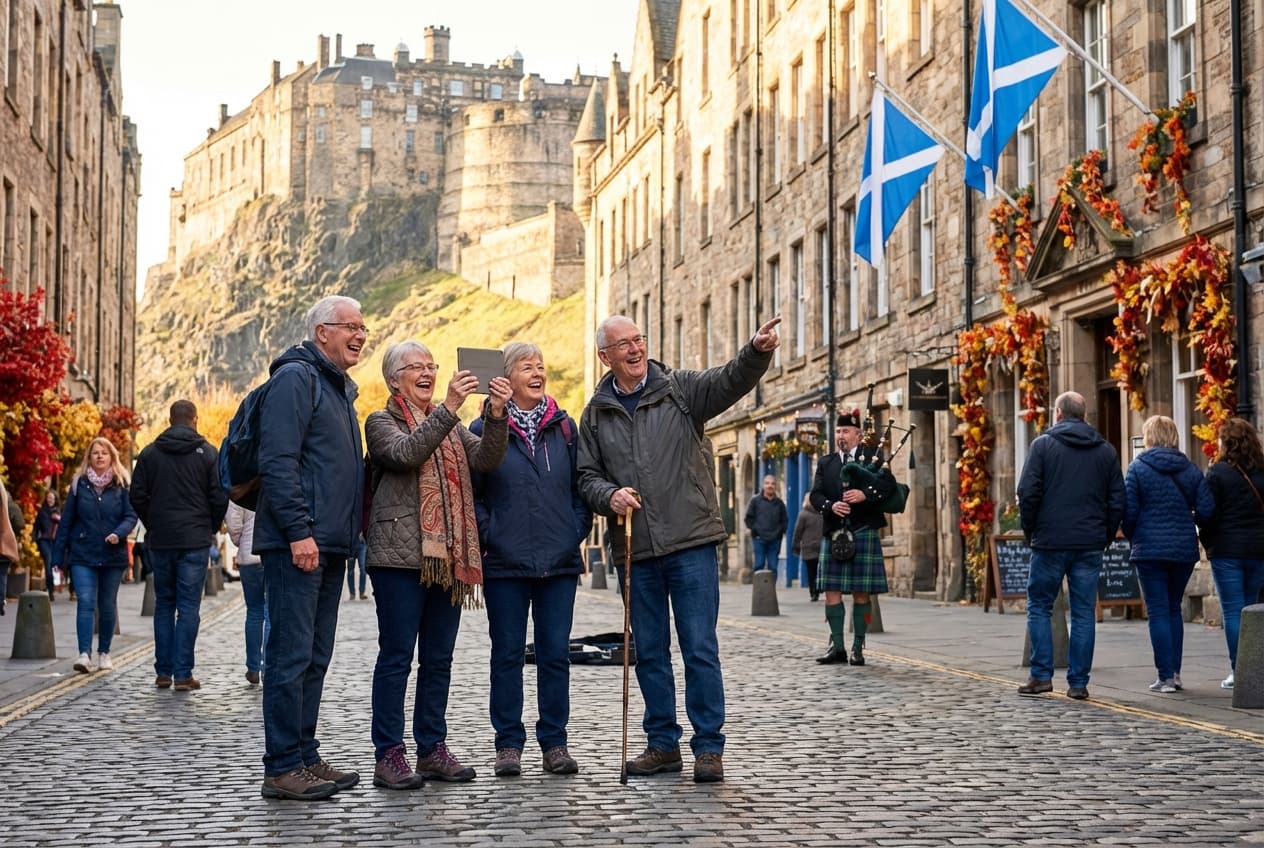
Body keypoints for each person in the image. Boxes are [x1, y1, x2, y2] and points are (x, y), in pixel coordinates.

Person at [577, 313, 781, 784]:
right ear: (604, 356)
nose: (635, 349)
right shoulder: (596, 413)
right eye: (623, 344)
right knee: (649, 651)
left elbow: (730, 380)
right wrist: (609, 496)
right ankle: (663, 745)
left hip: (690, 542)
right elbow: (585, 476)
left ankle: (709, 748)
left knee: (699, 648)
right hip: (638, 549)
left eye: (639, 339)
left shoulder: (681, 390)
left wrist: (757, 351)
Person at [364, 340, 510, 790]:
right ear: (394, 379)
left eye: (432, 365)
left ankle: (431, 749)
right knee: (396, 659)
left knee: (438, 660)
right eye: (416, 367)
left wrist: (496, 415)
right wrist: (449, 407)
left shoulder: (448, 426)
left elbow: (486, 458)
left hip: (447, 558)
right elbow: (406, 453)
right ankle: (389, 754)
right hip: (399, 559)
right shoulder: (380, 421)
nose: (427, 372)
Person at [254, 295, 367, 801]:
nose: (361, 335)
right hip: (299, 543)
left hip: (329, 545)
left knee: (315, 656)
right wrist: (299, 531)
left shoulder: (337, 387)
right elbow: (278, 462)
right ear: (323, 332)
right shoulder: (295, 379)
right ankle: (281, 766)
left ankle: (303, 753)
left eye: (364, 327)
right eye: (351, 327)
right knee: (290, 655)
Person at [470, 342, 592, 778]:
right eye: (527, 367)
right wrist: (491, 534)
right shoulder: (481, 426)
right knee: (506, 655)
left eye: (541, 366)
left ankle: (554, 744)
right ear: (507, 377)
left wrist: (574, 530)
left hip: (558, 562)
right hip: (505, 563)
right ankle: (508, 745)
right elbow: (474, 493)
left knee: (555, 654)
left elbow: (582, 487)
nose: (538, 372)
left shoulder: (565, 428)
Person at [1016, 390, 1124, 700]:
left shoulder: (1042, 446)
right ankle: (1078, 682)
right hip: (1089, 542)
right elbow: (1118, 499)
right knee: (1083, 612)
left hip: (1049, 541)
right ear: (1084, 415)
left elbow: (1028, 493)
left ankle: (1040, 676)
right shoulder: (1105, 451)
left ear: (1059, 414)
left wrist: (1030, 530)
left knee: (1039, 605)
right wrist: (1105, 534)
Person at [131, 399, 229, 693]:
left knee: (164, 605)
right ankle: (183, 674)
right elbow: (219, 496)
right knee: (188, 607)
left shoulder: (149, 454)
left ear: (170, 419)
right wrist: (208, 526)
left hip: (161, 540)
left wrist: (154, 522)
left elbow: (136, 495)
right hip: (194, 541)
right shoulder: (207, 454)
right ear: (195, 420)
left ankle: (163, 672)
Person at [1121, 415, 1213, 694]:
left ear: (1149, 437)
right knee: (1174, 608)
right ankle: (1175, 672)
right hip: (1183, 549)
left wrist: (1133, 534)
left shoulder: (1137, 468)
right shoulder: (1191, 469)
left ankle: (1165, 677)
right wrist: (1190, 520)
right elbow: (1207, 509)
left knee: (1159, 610)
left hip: (1149, 549)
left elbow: (1129, 513)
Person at [809, 410, 898, 666]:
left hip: (863, 532)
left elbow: (888, 486)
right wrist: (830, 506)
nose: (841, 436)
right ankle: (837, 647)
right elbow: (815, 495)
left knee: (862, 594)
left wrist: (864, 495)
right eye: (838, 431)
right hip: (835, 533)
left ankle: (858, 647)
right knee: (831, 591)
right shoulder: (826, 463)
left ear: (858, 435)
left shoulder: (873, 457)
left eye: (846, 431)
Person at [51, 438, 137, 670]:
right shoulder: (79, 485)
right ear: (89, 458)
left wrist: (118, 534)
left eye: (104, 453)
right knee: (86, 602)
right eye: (95, 453)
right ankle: (84, 654)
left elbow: (131, 516)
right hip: (83, 553)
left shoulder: (122, 484)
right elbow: (67, 521)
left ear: (112, 457)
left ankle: (104, 653)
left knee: (107, 604)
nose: (99, 456)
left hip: (112, 555)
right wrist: (57, 557)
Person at [1199, 417, 1264, 690]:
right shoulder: (1262, 471)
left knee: (1233, 612)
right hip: (1259, 548)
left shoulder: (1217, 473)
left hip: (1227, 550)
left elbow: (1206, 513)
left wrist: (1208, 538)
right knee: (1252, 610)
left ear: (1226, 442)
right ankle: (1255, 668)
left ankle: (1239, 671)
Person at [225, 501, 267, 687]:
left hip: (249, 557)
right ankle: (269, 667)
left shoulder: (242, 485)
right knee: (271, 613)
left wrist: (242, 542)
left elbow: (233, 526)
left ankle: (253, 668)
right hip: (271, 553)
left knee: (254, 612)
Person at [744, 475, 787, 575]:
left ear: (775, 486)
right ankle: (759, 590)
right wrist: (754, 531)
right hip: (759, 539)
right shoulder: (755, 501)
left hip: (775, 540)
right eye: (767, 483)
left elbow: (784, 520)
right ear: (763, 485)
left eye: (772, 483)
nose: (770, 486)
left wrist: (780, 533)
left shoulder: (779, 503)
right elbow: (748, 518)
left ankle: (771, 590)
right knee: (759, 565)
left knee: (773, 567)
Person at [791, 494, 823, 602]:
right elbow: (798, 531)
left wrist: (795, 546)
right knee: (819, 570)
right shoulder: (821, 513)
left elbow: (797, 532)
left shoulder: (803, 514)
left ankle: (814, 592)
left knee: (812, 572)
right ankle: (817, 590)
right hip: (818, 547)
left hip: (810, 547)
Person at [36, 490, 61, 602]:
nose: (50, 499)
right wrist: (36, 539)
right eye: (48, 497)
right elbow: (36, 527)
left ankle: (54, 587)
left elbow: (63, 527)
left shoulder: (59, 512)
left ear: (55, 499)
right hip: (44, 540)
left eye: (52, 498)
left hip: (55, 542)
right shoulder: (42, 511)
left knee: (55, 564)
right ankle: (50, 591)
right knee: (48, 563)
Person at [0, 484, 19, 616]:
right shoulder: (9, 502)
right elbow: (20, 523)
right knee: (1, 575)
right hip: (4, 542)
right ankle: (1, 601)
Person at [348, 535, 368, 600]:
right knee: (350, 571)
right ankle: (352, 593)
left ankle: (362, 592)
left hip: (362, 543)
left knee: (363, 569)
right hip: (351, 544)